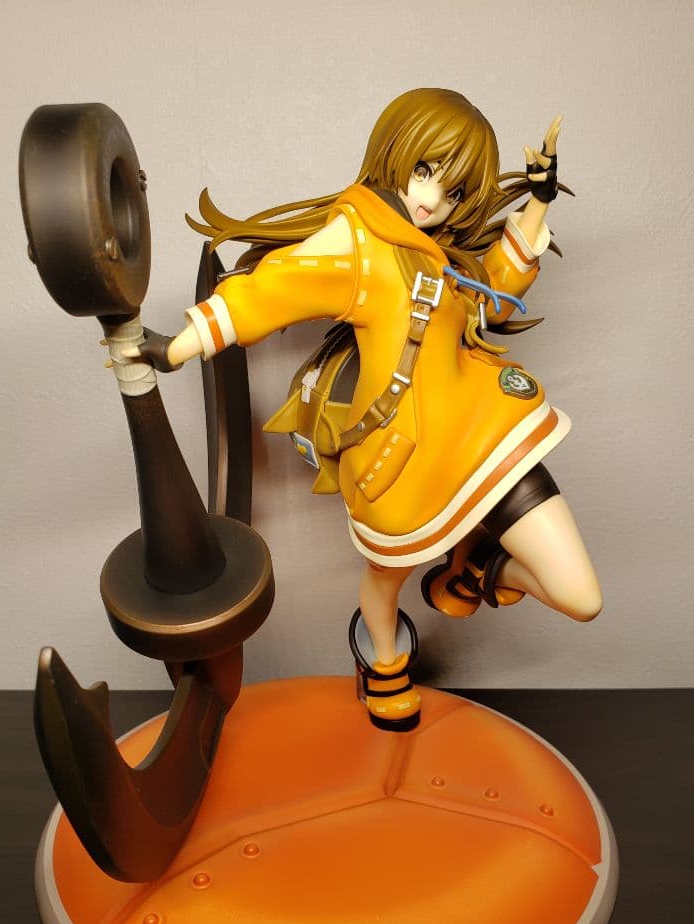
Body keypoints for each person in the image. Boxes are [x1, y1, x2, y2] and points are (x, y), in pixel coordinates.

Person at [126, 88, 601, 732]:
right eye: (424, 171)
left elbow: (491, 293)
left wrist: (539, 200)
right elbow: (276, 287)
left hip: (489, 443)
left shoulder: (439, 256)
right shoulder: (357, 241)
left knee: (580, 596)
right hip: (403, 464)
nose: (432, 199)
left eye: (454, 191)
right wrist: (176, 346)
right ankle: (384, 662)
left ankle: (474, 568)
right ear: (394, 154)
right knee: (385, 582)